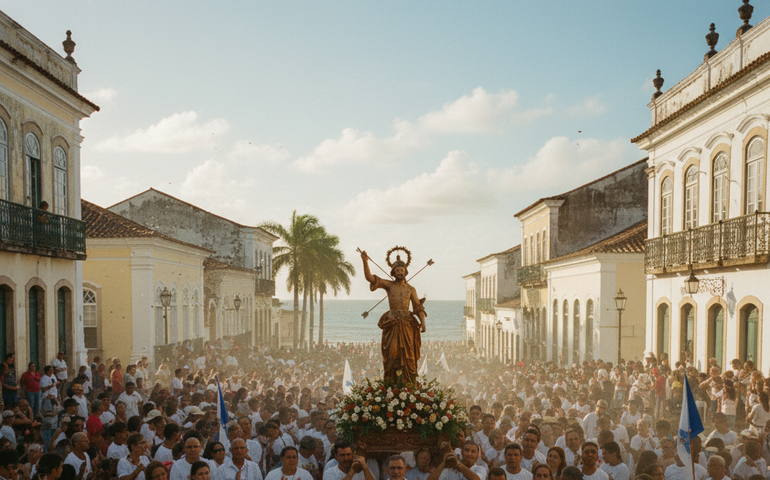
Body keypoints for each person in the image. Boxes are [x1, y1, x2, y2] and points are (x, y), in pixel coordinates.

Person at [360, 248, 426, 384]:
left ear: (405, 272)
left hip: (407, 325)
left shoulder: (411, 289)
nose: (400, 272)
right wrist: (365, 261)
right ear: (393, 273)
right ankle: (391, 384)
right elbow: (370, 278)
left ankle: (408, 384)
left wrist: (423, 322)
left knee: (409, 356)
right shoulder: (389, 285)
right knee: (392, 355)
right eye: (397, 270)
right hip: (392, 324)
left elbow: (418, 307)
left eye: (402, 270)